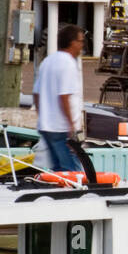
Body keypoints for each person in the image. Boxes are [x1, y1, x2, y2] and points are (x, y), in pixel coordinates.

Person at [32, 24, 85, 172]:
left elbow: (36, 94)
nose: (82, 45)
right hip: (61, 128)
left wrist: (43, 116)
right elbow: (64, 96)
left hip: (46, 126)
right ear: (72, 42)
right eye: (80, 41)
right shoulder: (68, 63)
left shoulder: (48, 61)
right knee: (72, 170)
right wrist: (71, 126)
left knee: (58, 168)